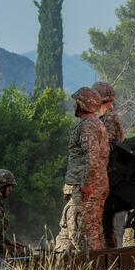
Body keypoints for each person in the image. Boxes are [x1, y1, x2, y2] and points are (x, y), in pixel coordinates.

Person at [54, 86, 108, 253]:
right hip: (92, 184)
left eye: (76, 103)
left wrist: (86, 183)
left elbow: (91, 155)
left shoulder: (88, 126)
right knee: (88, 228)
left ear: (83, 104)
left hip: (87, 186)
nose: (74, 106)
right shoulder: (95, 124)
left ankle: (95, 266)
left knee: (83, 231)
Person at [93, 81, 123, 248]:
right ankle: (109, 253)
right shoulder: (109, 118)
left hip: (107, 174)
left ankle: (108, 255)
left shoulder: (109, 118)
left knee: (103, 221)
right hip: (109, 174)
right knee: (106, 222)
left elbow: (108, 146)